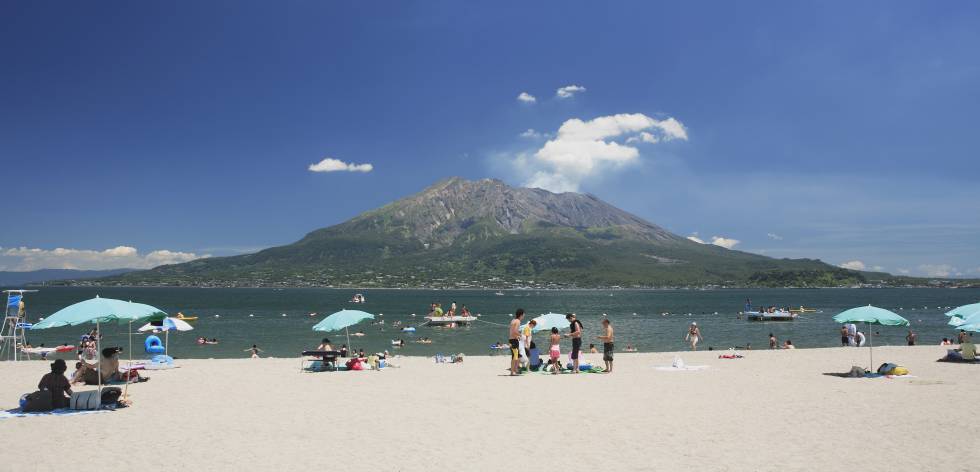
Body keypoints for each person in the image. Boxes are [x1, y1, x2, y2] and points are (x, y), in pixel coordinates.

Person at [509, 309, 524, 376]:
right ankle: (513, 372)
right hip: (514, 341)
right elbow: (515, 331)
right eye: (523, 315)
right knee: (515, 357)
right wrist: (521, 335)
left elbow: (511, 331)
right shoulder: (518, 321)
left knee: (515, 356)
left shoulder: (513, 320)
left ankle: (513, 371)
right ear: (521, 315)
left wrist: (517, 336)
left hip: (511, 340)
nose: (523, 316)